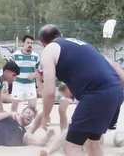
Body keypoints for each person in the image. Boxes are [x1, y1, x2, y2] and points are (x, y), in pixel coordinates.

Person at [39, 24, 124, 156]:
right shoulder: (82, 44)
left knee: (71, 146)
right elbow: (114, 65)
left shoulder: (49, 50)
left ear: (42, 43)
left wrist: (45, 116)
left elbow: (49, 91)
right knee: (93, 142)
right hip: (115, 90)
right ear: (61, 36)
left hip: (95, 94)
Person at [10, 35, 41, 112]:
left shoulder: (36, 56)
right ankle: (13, 122)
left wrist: (34, 74)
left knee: (33, 107)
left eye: (31, 43)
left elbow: (40, 69)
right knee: (14, 106)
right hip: (18, 83)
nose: (30, 45)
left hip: (30, 84)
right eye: (28, 43)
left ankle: (31, 123)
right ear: (23, 43)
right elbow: (9, 68)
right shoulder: (15, 55)